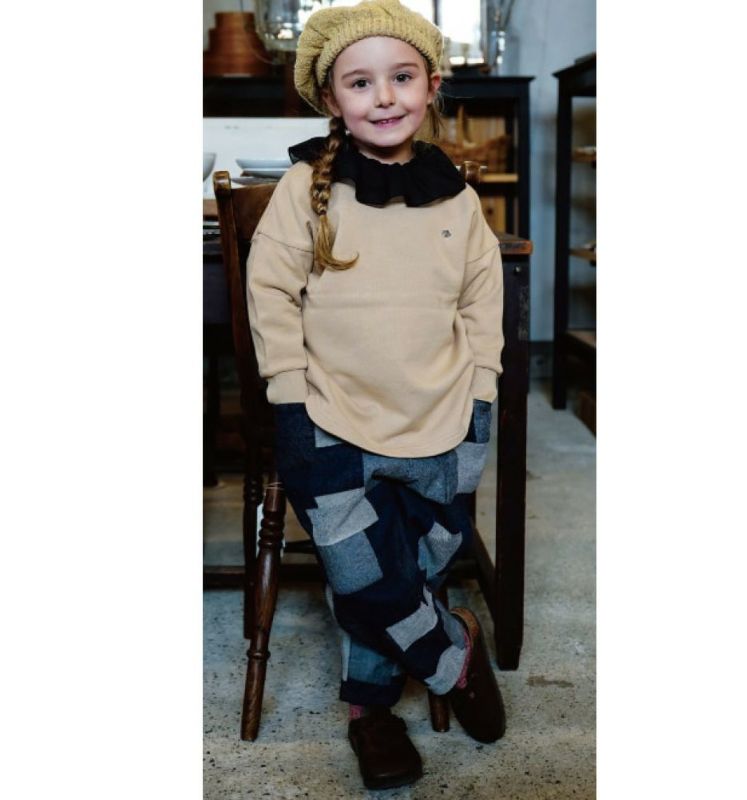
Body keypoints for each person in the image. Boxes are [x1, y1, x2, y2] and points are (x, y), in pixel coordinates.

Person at [246, 0, 506, 790]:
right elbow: (270, 292)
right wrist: (290, 394)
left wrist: (482, 390)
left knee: (415, 561)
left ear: (432, 86)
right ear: (331, 99)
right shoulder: (305, 189)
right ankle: (439, 665)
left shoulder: (457, 199)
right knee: (363, 572)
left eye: (401, 78)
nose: (384, 96)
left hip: (446, 415)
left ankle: (381, 692)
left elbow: (482, 302)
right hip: (329, 417)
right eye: (360, 83)